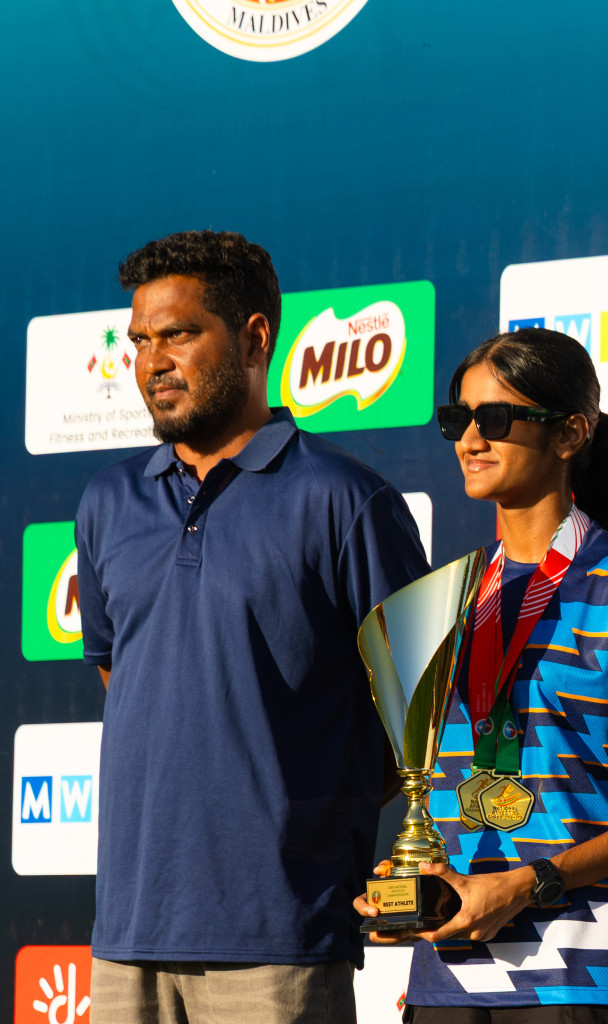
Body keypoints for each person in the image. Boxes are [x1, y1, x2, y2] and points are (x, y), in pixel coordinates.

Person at [76, 230, 430, 1022]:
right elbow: (120, 674)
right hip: (127, 937)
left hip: (279, 937)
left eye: (178, 334)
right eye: (139, 341)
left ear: (255, 338)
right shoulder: (107, 503)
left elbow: (419, 713)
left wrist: (298, 823)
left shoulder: (346, 499)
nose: (151, 362)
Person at [355, 328, 608, 1024]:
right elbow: (425, 779)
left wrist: (529, 882)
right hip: (446, 978)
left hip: (585, 975)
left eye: (496, 419)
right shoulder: (450, 595)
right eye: (459, 419)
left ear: (571, 433)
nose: (470, 440)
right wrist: (407, 874)